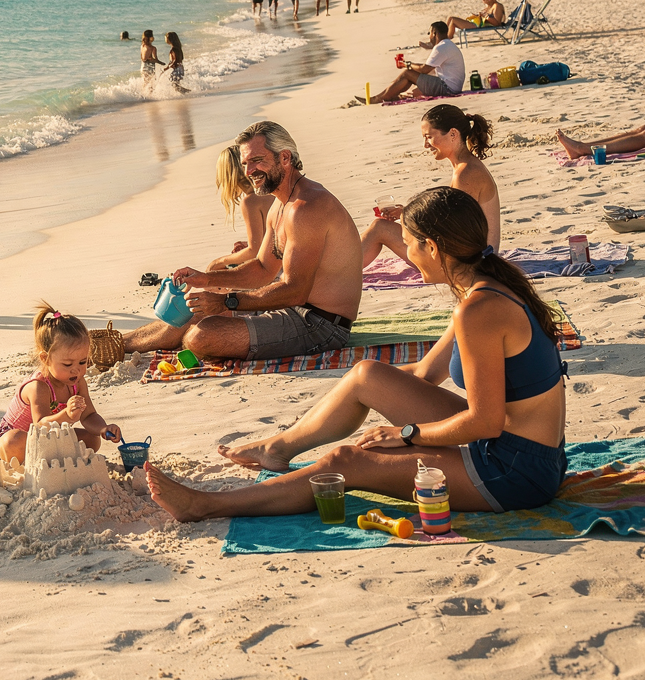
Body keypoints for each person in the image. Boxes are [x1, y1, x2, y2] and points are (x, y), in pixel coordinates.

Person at [148, 186, 569, 520]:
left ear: (435, 248)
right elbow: (423, 374)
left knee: (346, 460)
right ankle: (277, 448)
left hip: (512, 473)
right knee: (368, 373)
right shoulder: (483, 292)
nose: (406, 256)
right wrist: (351, 389)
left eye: (409, 245)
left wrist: (406, 435)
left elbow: (484, 422)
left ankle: (205, 506)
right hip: (521, 450)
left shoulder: (480, 310)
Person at [122, 122, 362, 360]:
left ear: (285, 158)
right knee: (194, 312)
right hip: (294, 309)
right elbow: (263, 268)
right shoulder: (280, 203)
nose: (249, 172)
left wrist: (227, 301)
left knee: (201, 337)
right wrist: (206, 279)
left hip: (321, 326)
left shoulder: (307, 207)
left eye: (257, 160)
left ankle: (132, 344)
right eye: (245, 163)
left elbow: (295, 291)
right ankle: (116, 345)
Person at [362, 104, 499, 268]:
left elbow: (452, 229)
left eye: (428, 137)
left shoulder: (466, 173)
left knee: (380, 228)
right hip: (471, 255)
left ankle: (341, 270)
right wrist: (405, 213)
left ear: (453, 134)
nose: (425, 145)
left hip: (470, 261)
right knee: (383, 227)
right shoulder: (465, 167)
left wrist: (408, 217)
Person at [0, 304, 124, 464]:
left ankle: (52, 459)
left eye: (82, 362)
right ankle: (38, 460)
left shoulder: (78, 383)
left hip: (54, 438)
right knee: (13, 441)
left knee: (92, 439)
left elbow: (89, 415)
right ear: (45, 359)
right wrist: (67, 415)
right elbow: (40, 425)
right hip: (25, 437)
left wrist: (103, 428)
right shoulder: (38, 387)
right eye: (68, 365)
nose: (76, 370)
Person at [206, 144, 273, 272]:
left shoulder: (250, 202)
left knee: (215, 272)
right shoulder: (269, 191)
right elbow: (269, 241)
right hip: (288, 261)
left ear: (228, 176)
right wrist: (248, 245)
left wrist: (218, 261)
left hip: (274, 271)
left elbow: (255, 251)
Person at [368, 22, 464, 103]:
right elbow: (428, 69)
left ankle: (380, 98)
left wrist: (407, 64)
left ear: (434, 33)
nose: (429, 37)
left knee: (407, 73)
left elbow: (424, 69)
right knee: (412, 84)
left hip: (447, 88)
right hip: (454, 87)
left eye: (429, 33)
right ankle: (386, 96)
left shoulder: (440, 47)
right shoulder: (448, 45)